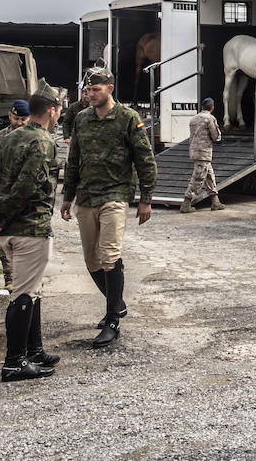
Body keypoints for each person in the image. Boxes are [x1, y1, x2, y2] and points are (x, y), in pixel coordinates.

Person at [59, 68, 157, 349]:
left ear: (110, 89)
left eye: (96, 90)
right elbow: (74, 159)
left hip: (115, 195)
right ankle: (118, 302)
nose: (90, 95)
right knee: (92, 261)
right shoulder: (81, 119)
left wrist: (145, 198)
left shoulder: (128, 118)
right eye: (88, 90)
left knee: (109, 255)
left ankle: (112, 318)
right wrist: (67, 196)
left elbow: (145, 160)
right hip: (86, 197)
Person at [0, 88, 62, 382]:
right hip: (30, 228)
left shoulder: (5, 138)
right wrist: (2, 218)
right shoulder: (43, 141)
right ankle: (14, 362)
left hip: (11, 230)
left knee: (32, 290)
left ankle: (33, 352)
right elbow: (27, 187)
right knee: (24, 294)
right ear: (52, 110)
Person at [0, 99, 32, 293]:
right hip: (4, 200)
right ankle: (10, 279)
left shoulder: (35, 138)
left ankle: (26, 283)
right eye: (16, 118)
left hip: (27, 202)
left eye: (23, 119)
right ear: (9, 116)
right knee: (5, 241)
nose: (19, 122)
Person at [180, 97, 224, 214]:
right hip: (204, 153)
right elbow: (215, 136)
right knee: (198, 178)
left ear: (202, 107)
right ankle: (186, 203)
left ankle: (215, 202)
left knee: (209, 176)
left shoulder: (193, 119)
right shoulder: (210, 118)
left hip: (194, 151)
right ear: (212, 107)